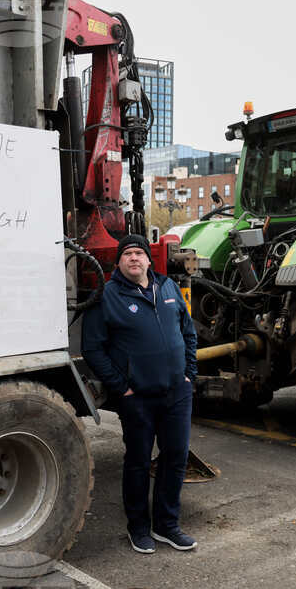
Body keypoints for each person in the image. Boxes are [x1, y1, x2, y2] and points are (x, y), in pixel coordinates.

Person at [81, 234, 199, 554]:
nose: (134, 258)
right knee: (137, 462)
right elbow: (92, 347)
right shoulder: (107, 295)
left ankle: (167, 525)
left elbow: (188, 332)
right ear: (119, 262)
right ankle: (138, 527)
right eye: (128, 254)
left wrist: (189, 374)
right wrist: (122, 388)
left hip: (177, 392)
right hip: (139, 397)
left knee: (175, 458)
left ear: (149, 260)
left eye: (139, 253)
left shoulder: (169, 288)